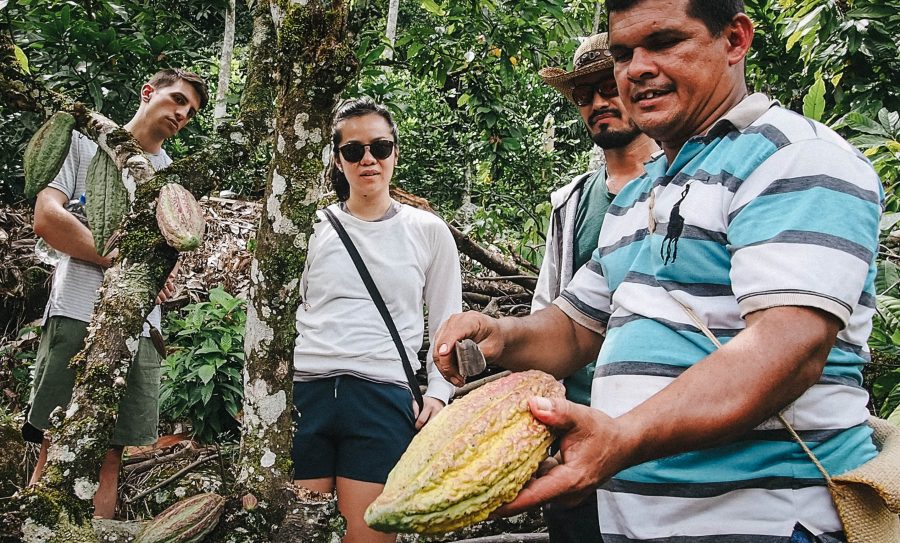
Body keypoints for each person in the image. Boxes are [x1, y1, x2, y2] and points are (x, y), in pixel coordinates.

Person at [433, 1, 882, 541]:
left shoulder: (795, 159)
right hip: (642, 526)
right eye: (623, 53)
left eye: (665, 42)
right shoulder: (642, 192)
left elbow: (787, 352)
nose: (636, 68)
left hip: (770, 523)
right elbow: (576, 329)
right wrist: (500, 335)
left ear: (735, 40)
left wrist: (621, 437)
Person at [24, 68, 208, 518]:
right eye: (177, 99)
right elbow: (47, 219)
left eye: (192, 111)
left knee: (111, 457)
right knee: (56, 444)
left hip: (141, 328)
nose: (183, 114)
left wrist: (152, 268)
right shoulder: (86, 143)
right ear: (148, 92)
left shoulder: (169, 173)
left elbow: (173, 244)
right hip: (77, 313)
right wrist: (123, 257)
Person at [291, 98, 461, 543]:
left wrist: (439, 395)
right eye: (354, 150)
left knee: (367, 536)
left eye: (380, 147)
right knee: (295, 533)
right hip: (306, 391)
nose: (368, 159)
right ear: (337, 158)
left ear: (395, 153)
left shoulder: (427, 230)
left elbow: (448, 320)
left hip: (381, 393)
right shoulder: (308, 228)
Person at [533, 32, 659, 543]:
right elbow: (551, 309)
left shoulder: (679, 187)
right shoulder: (572, 204)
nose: (597, 105)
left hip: (660, 429)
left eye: (608, 88)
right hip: (577, 431)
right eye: (583, 97)